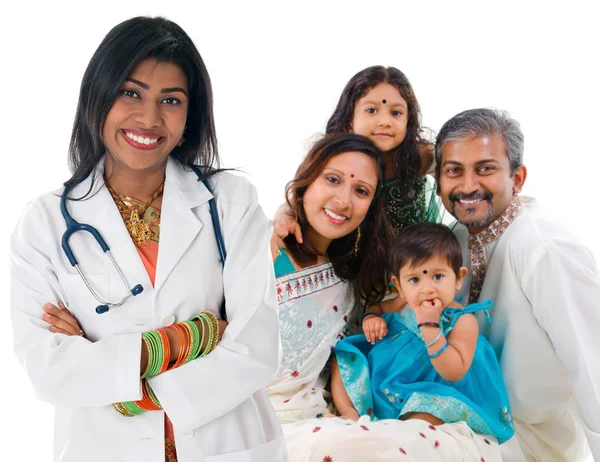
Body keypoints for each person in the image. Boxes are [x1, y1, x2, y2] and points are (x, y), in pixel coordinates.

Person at [10, 16, 286, 462]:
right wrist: (192, 337)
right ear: (98, 95)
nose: (149, 117)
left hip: (227, 445)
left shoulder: (230, 201)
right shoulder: (44, 223)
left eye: (170, 100)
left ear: (189, 114)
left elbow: (256, 349)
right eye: (131, 92)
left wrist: (114, 374)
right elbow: (49, 370)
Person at [435, 108, 600, 461]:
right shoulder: (452, 239)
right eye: (453, 171)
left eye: (485, 169)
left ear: (518, 177)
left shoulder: (545, 249)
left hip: (531, 443)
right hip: (464, 420)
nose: (467, 187)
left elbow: (594, 366)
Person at [331, 222, 514, 446]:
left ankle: (403, 438)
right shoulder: (403, 302)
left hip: (437, 389)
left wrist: (430, 327)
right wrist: (371, 318)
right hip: (392, 375)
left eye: (437, 277)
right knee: (346, 356)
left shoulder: (463, 321)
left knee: (425, 418)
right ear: (399, 285)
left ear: (458, 278)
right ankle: (349, 412)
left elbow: (453, 372)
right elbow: (377, 307)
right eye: (415, 280)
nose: (426, 288)